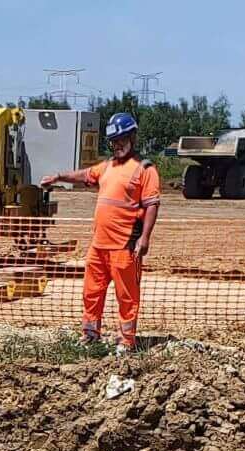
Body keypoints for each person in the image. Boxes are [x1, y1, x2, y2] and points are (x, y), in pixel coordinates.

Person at [41, 112, 162, 353]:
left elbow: (151, 204)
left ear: (132, 137)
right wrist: (59, 177)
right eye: (114, 141)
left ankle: (126, 342)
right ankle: (89, 335)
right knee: (91, 293)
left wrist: (144, 237)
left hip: (124, 247)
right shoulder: (107, 167)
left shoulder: (144, 169)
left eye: (121, 140)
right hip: (99, 246)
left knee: (127, 297)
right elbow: (85, 175)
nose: (117, 145)